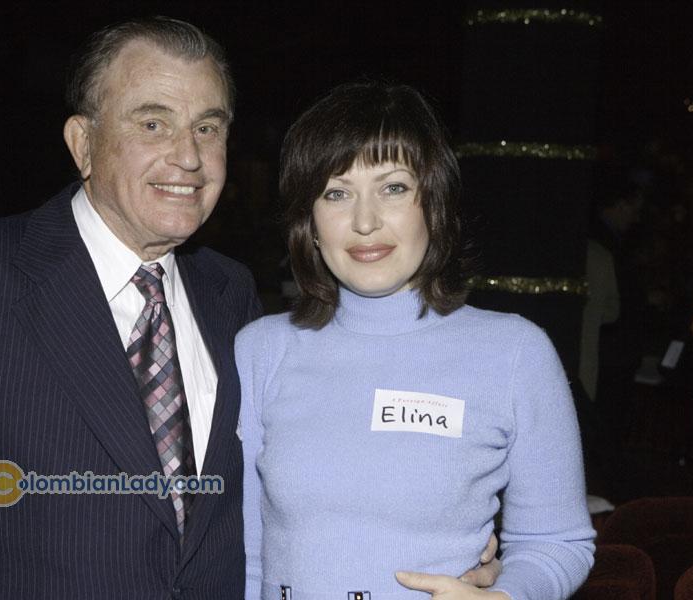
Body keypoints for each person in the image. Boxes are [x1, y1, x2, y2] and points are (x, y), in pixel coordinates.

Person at [0, 17, 262, 599]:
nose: (189, 156)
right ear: (83, 144)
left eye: (207, 127)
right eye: (153, 123)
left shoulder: (231, 292)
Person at [237, 82, 595, 599]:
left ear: (434, 203)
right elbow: (245, 555)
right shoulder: (261, 350)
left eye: (393, 188)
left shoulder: (514, 353)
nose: (364, 221)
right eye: (336, 193)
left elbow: (557, 542)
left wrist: (506, 595)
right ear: (309, 222)